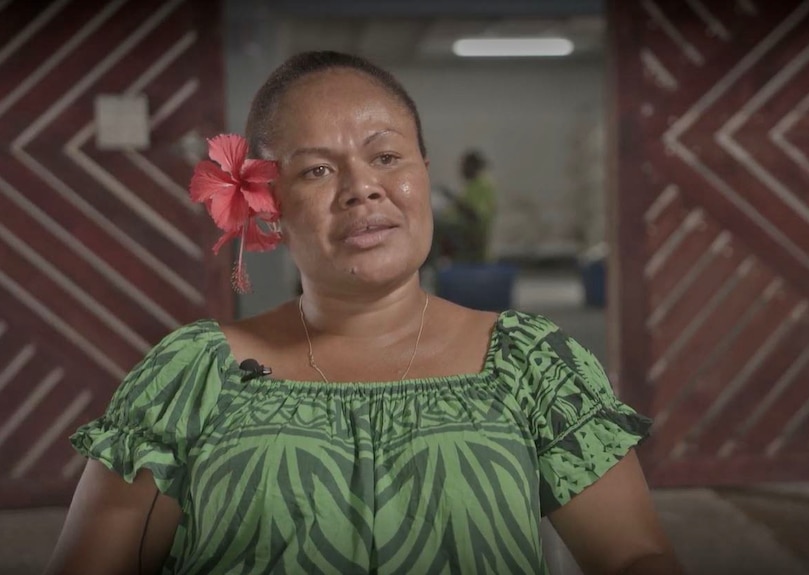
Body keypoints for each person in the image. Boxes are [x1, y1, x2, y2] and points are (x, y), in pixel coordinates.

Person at [45, 51, 683, 575]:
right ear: (268, 206)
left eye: (386, 157)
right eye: (317, 169)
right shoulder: (191, 377)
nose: (362, 187)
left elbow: (637, 556)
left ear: (424, 176)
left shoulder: (532, 364)